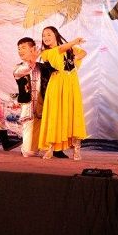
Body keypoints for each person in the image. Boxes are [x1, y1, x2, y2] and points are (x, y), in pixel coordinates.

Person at [38, 26, 87, 160]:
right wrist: (74, 42)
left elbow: (83, 52)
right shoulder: (46, 53)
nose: (46, 37)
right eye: (44, 35)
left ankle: (76, 149)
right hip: (56, 85)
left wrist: (76, 57)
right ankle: (50, 147)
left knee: (73, 113)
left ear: (56, 35)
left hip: (71, 84)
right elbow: (59, 50)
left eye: (49, 34)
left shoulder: (69, 49)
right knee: (55, 114)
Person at [13, 37, 53, 157]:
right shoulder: (18, 68)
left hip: (42, 105)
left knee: (43, 128)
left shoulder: (43, 67)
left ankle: (48, 148)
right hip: (28, 105)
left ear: (33, 49)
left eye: (23, 48)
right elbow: (26, 69)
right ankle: (27, 149)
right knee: (28, 151)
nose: (20, 51)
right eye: (19, 48)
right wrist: (33, 61)